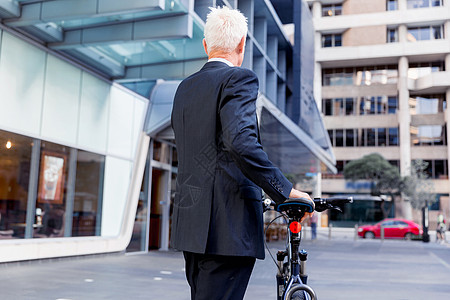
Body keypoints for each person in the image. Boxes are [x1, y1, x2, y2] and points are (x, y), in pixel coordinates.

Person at [170, 6, 314, 300]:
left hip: (191, 224)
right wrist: (284, 190)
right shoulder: (238, 79)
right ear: (242, 45)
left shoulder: (184, 89)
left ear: (205, 45)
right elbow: (241, 143)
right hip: (228, 227)